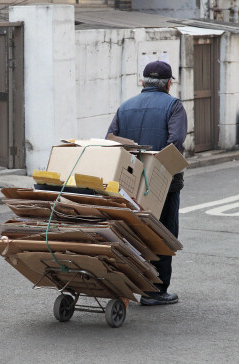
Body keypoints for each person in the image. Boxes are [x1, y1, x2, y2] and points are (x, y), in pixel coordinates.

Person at [106, 60, 187, 306]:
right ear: (169, 84)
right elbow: (176, 142)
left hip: (128, 182)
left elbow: (110, 139)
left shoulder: (125, 106)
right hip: (163, 184)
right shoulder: (174, 106)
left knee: (131, 232)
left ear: (143, 82)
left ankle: (127, 283)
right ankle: (154, 290)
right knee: (162, 234)